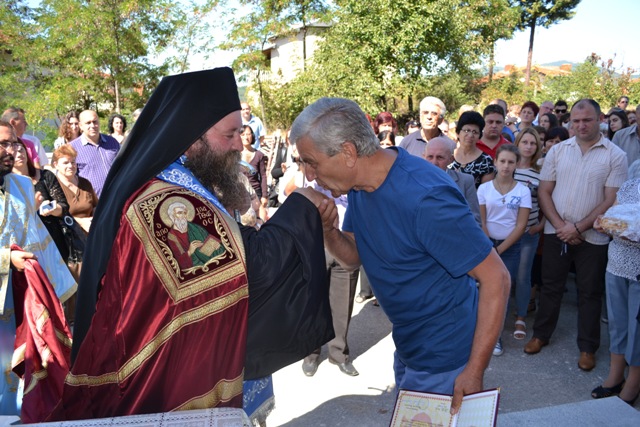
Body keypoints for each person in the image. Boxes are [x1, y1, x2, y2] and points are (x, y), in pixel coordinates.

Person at [46, 68, 333, 421]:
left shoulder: (177, 179)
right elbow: (248, 266)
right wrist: (301, 208)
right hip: (156, 387)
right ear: (191, 139)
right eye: (229, 134)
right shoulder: (163, 201)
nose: (238, 145)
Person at [291, 97, 510, 414]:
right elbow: (354, 256)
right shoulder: (360, 186)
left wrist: (474, 371)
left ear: (348, 153)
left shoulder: (425, 197)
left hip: (445, 356)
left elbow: (497, 278)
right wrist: (328, 230)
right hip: (410, 346)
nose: (310, 175)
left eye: (312, 162)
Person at [524, 99, 628, 373]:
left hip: (593, 238)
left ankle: (587, 347)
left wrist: (579, 227)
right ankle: (541, 335)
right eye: (576, 120)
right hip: (557, 232)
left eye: (587, 120)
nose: (581, 125)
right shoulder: (558, 151)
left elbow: (611, 200)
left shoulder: (616, 155)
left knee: (590, 292)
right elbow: (544, 191)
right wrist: (562, 226)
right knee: (550, 287)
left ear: (600, 120)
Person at [0, 120, 76, 418]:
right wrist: (6, 258)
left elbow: (36, 237)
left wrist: (51, 290)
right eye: (3, 144)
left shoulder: (21, 185)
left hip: (21, 295)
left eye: (14, 143)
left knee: (18, 367)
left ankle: (16, 415)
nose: (11, 150)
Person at [590, 160, 640, 406]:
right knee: (618, 323)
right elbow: (614, 217)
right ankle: (616, 375)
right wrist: (603, 223)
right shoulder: (630, 185)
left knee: (637, 328)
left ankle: (634, 382)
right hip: (617, 263)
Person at [478, 144, 531, 356]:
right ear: (495, 162)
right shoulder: (484, 189)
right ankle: (479, 331)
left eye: (511, 162)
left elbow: (521, 225)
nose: (506, 166)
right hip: (486, 244)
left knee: (502, 293)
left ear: (517, 164)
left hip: (510, 247)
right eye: (502, 161)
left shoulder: (523, 191)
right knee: (484, 290)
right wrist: (489, 247)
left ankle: (495, 336)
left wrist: (499, 250)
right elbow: (482, 221)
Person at [11, 139, 71, 263]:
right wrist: (33, 208)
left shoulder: (45, 176)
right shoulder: (8, 184)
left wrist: (52, 209)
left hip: (54, 239)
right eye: (15, 152)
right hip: (27, 243)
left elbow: (64, 206)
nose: (19, 154)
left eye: (21, 150)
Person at [512, 128, 545, 340]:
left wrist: (540, 226)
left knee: (523, 277)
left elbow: (547, 202)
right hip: (505, 234)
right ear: (517, 143)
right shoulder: (508, 167)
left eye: (533, 143)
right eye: (525, 142)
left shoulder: (540, 174)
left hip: (528, 234)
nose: (528, 146)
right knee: (504, 276)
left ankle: (521, 317)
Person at [424, 137, 480, 225]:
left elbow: (475, 220)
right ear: (423, 157)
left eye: (440, 157)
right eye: (430, 157)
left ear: (451, 159)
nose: (434, 162)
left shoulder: (465, 181)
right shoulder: (414, 181)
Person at [70, 110, 120, 197]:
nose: (92, 126)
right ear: (81, 126)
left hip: (117, 195)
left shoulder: (112, 142)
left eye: (95, 122)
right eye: (88, 123)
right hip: (92, 200)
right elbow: (69, 178)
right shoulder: (72, 148)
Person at [52, 145, 98, 234]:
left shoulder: (85, 183)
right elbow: (55, 217)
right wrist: (80, 222)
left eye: (73, 162)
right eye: (65, 163)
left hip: (90, 234)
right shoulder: (53, 186)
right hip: (67, 236)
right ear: (56, 165)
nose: (70, 166)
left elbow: (95, 206)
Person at [450, 111, 496, 188]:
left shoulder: (486, 161)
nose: (470, 135)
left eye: (475, 132)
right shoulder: (447, 155)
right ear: (458, 133)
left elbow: (485, 191)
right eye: (467, 130)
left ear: (479, 136)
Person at [240, 125, 268, 217]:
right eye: (243, 134)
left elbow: (263, 176)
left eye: (248, 134)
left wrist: (264, 195)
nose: (246, 137)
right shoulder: (234, 155)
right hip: (240, 193)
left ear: (252, 136)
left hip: (256, 192)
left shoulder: (259, 155)